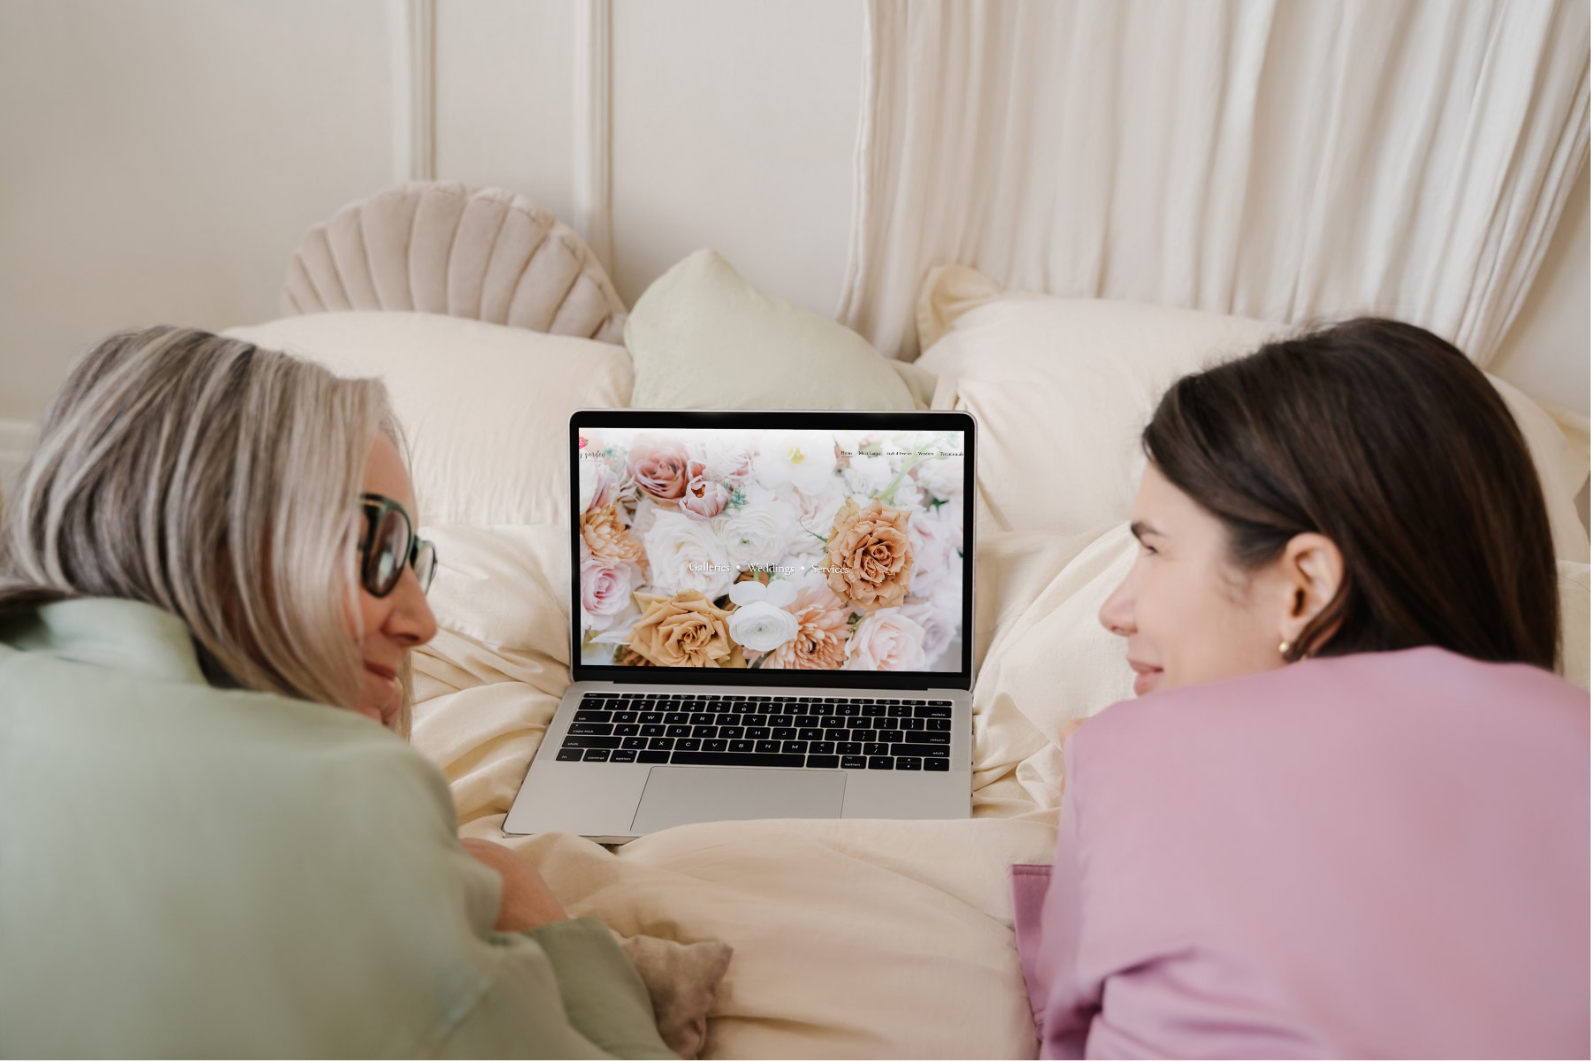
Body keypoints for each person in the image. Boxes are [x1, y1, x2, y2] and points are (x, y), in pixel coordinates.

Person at [0, 327, 674, 1058]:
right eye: (379, 548)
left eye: (417, 561)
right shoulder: (344, 795)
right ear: (209, 524)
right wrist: (529, 902)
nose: (423, 622)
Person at [1014, 318, 1589, 1058]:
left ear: (1305, 585)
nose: (1113, 609)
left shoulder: (1127, 754)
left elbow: (1065, 1032)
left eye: (1154, 551)